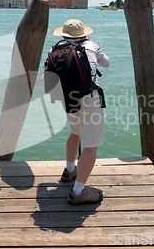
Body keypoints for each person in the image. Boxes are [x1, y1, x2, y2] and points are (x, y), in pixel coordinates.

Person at [53, 19, 110, 204]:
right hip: (89, 97)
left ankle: (70, 170)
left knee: (75, 132)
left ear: (63, 34)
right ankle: (78, 192)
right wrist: (91, 45)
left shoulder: (55, 48)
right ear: (84, 33)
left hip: (66, 97)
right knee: (91, 145)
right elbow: (106, 63)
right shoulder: (91, 45)